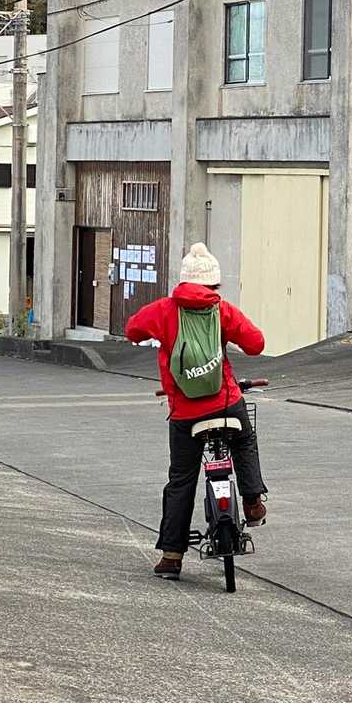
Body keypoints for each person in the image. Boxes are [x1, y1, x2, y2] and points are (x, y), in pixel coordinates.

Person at [124, 242, 268, 580]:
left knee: (181, 479)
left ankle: (172, 557)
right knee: (244, 441)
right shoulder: (223, 310)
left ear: (184, 280)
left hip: (185, 414)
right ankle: (251, 501)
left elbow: (132, 330)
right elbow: (256, 344)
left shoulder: (162, 310)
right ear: (214, 282)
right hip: (226, 402)